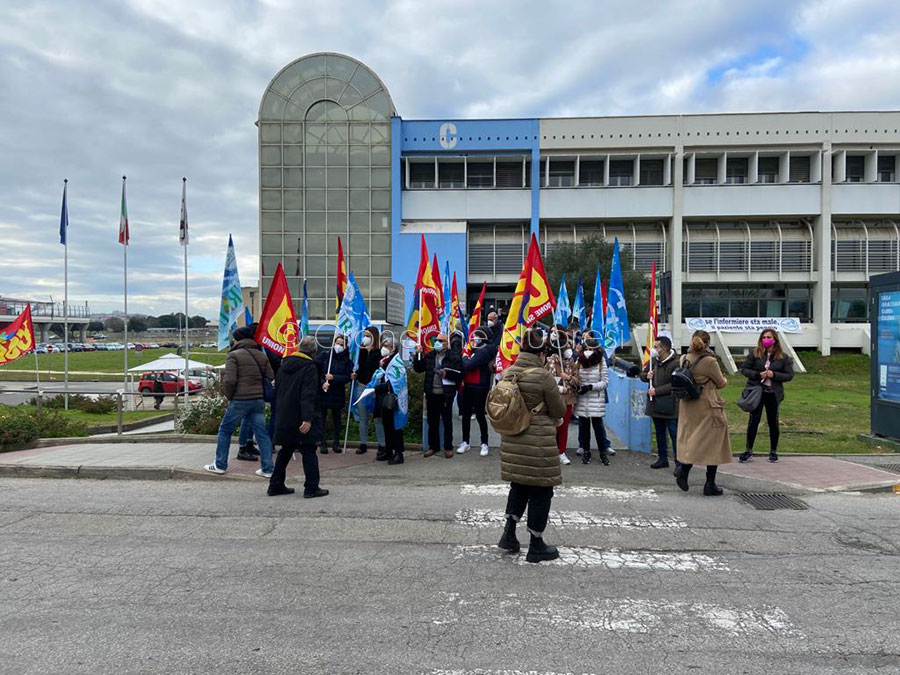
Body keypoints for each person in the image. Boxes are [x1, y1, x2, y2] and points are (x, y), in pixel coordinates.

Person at [497, 327, 568, 563]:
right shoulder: (543, 376)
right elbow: (559, 409)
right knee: (541, 490)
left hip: (513, 438)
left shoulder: (508, 372)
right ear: (541, 354)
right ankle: (536, 544)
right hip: (538, 442)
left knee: (518, 485)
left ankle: (509, 535)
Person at [203, 326, 275, 478]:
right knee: (262, 434)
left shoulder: (233, 355)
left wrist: (230, 396)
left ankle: (220, 464)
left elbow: (230, 380)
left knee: (225, 430)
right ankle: (268, 469)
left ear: (238, 339)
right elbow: (270, 375)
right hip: (258, 400)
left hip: (240, 400)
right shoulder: (261, 355)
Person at [267, 336, 329, 498]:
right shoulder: (309, 367)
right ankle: (311, 487)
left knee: (286, 450)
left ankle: (275, 485)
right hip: (301, 416)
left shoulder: (284, 365)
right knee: (308, 450)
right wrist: (307, 418)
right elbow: (308, 394)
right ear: (314, 352)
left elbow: (278, 390)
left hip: (285, 414)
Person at [675, 330, 731, 496]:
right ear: (707, 343)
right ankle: (709, 483)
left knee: (691, 437)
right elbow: (721, 383)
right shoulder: (709, 361)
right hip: (707, 403)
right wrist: (725, 380)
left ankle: (684, 469)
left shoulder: (683, 358)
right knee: (712, 443)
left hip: (688, 404)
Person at [739, 329, 794, 463]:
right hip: (757, 392)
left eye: (769, 337)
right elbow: (744, 369)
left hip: (773, 393)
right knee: (753, 421)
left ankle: (773, 451)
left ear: (774, 339)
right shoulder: (755, 354)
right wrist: (758, 375)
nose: (766, 339)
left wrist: (774, 375)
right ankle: (748, 450)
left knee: (773, 422)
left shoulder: (783, 357)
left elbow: (789, 375)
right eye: (763, 337)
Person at [414, 331, 463, 458]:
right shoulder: (430, 355)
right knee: (432, 421)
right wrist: (418, 355)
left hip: (445, 394)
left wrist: (447, 374)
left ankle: (448, 447)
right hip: (431, 393)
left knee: (447, 422)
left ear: (447, 344)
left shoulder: (453, 357)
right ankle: (433, 446)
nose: (437, 342)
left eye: (441, 341)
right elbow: (419, 368)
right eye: (437, 340)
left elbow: (459, 374)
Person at [640, 335, 680, 470]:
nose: (654, 349)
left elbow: (674, 384)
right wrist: (646, 376)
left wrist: (657, 391)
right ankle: (662, 458)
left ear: (665, 348)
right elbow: (642, 375)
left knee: (674, 434)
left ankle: (679, 462)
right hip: (656, 405)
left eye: (656, 347)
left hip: (671, 405)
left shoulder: (676, 363)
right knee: (659, 433)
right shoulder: (653, 361)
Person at [459, 328, 497, 457]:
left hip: (480, 385)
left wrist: (464, 357)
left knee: (480, 414)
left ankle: (484, 443)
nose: (474, 339)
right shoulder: (475, 350)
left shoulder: (485, 351)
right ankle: (465, 441)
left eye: (476, 336)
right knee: (466, 414)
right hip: (468, 385)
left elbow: (469, 365)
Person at [573, 335, 610, 465]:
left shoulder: (601, 362)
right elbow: (575, 377)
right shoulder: (579, 361)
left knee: (598, 428)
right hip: (582, 399)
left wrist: (590, 387)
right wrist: (577, 385)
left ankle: (602, 453)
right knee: (584, 428)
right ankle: (586, 452)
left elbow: (605, 382)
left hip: (595, 399)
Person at [314, 334, 353, 454]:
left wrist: (334, 377)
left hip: (338, 392)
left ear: (346, 347)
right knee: (322, 418)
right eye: (337, 343)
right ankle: (323, 443)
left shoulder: (347, 361)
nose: (339, 346)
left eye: (342, 344)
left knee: (337, 419)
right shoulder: (325, 356)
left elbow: (347, 377)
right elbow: (316, 371)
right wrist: (322, 382)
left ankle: (336, 443)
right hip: (324, 391)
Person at [545, 328, 577, 465]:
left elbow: (578, 381)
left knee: (563, 427)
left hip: (567, 400)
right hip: (553, 400)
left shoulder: (572, 363)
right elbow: (544, 378)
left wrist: (569, 378)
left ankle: (561, 451)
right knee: (553, 427)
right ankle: (550, 451)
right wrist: (557, 387)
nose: (569, 350)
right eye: (566, 347)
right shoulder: (551, 362)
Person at [373, 336, 407, 465]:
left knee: (395, 427)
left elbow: (396, 382)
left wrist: (379, 387)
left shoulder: (397, 362)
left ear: (393, 348)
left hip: (393, 398)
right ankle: (388, 451)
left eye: (387, 346)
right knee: (387, 425)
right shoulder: (384, 360)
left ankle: (399, 453)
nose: (384, 348)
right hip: (383, 397)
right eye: (383, 345)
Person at [353, 326, 385, 457]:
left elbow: (376, 368)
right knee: (363, 417)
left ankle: (382, 445)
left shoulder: (379, 352)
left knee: (377, 418)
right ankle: (363, 443)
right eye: (364, 335)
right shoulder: (361, 350)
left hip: (374, 388)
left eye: (368, 336)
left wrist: (370, 352)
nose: (365, 338)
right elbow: (360, 367)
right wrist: (355, 374)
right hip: (361, 385)